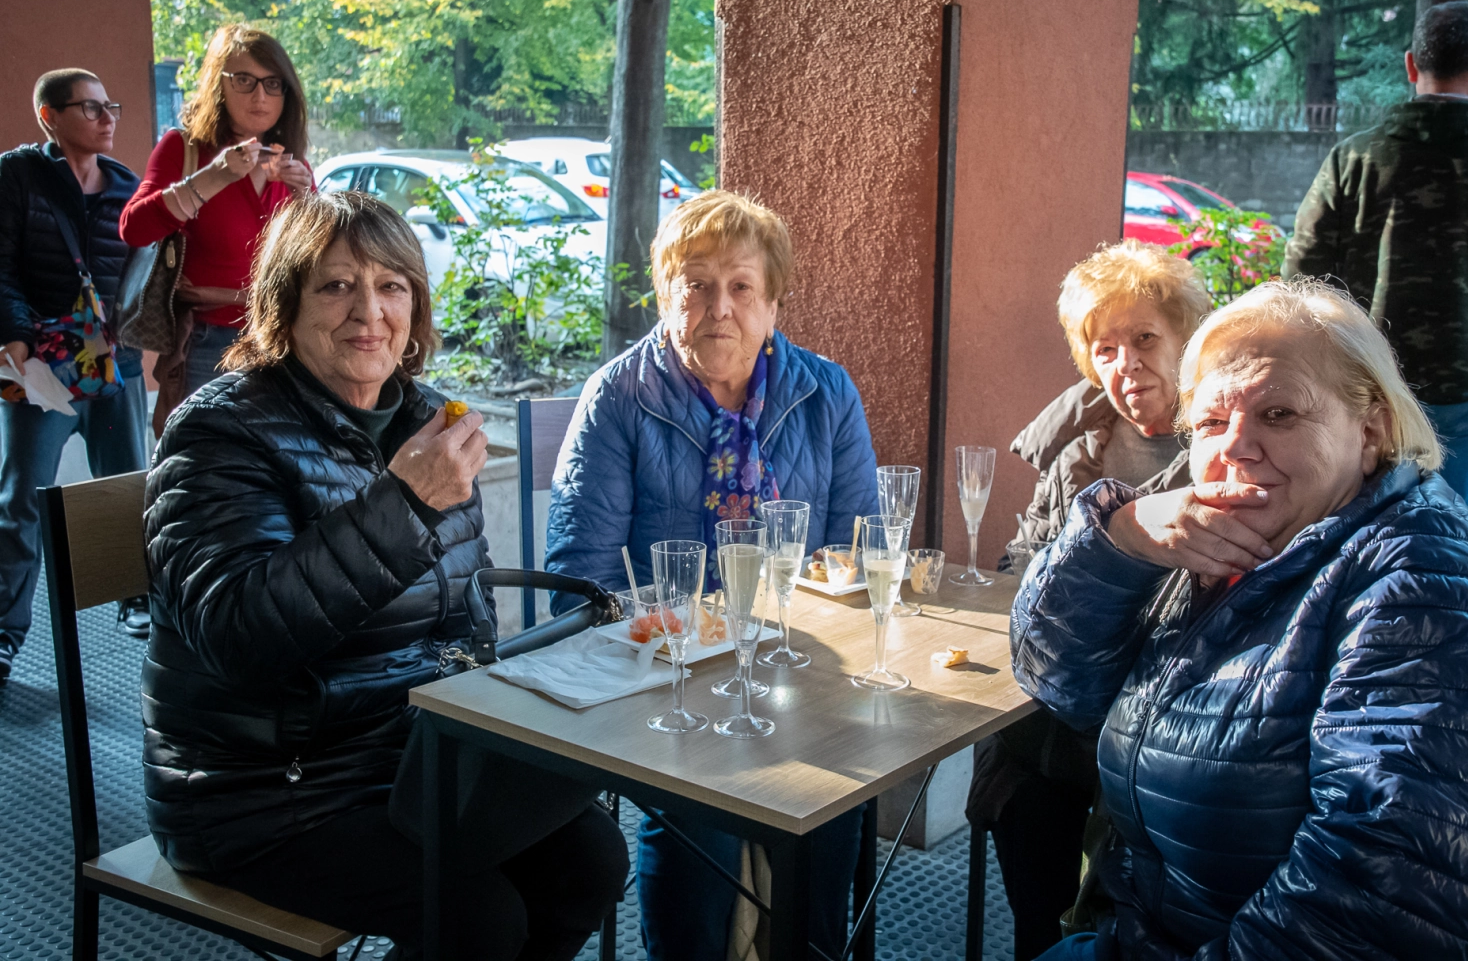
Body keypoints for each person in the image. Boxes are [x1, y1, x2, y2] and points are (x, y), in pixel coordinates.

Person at [1015, 279, 1468, 961]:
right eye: (1208, 422)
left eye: (1280, 414)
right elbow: (1059, 681)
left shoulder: (1433, 582)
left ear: (1371, 428)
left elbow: (1380, 903)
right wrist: (1119, 538)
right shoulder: (1215, 533)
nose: (1234, 448)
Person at [142, 191, 627, 960]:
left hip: (408, 759)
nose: (368, 311)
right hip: (262, 792)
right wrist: (404, 504)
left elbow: (462, 619)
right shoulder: (218, 432)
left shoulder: (426, 418)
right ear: (284, 305)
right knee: (478, 916)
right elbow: (236, 635)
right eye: (335, 286)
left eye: (391, 285)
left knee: (591, 862)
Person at [547, 188, 879, 961]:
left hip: (801, 661)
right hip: (666, 671)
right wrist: (665, 641)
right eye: (693, 284)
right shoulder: (618, 397)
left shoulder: (825, 392)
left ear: (772, 304)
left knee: (833, 800)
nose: (716, 307)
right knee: (695, 814)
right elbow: (582, 576)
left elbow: (852, 553)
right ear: (666, 295)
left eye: (739, 287)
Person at [972, 241, 1208, 961]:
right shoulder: (1080, 444)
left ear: (1188, 342)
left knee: (1112, 916)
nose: (1125, 365)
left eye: (1144, 340)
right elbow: (1020, 561)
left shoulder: (1224, 445)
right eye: (1104, 349)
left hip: (1151, 724)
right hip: (1046, 725)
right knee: (1031, 881)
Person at [1284, 1, 1468, 504]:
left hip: (1360, 374)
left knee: (1346, 512)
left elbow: (1299, 278)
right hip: (1462, 378)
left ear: (1410, 65)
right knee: (1440, 522)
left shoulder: (1354, 157)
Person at [0, 69, 150, 678]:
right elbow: (1, 266)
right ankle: (5, 635)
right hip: (40, 365)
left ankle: (136, 602)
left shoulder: (126, 189)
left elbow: (142, 281)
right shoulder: (16, 176)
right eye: (89, 108)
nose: (106, 117)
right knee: (22, 500)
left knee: (126, 491)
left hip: (118, 369)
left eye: (108, 106)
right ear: (49, 116)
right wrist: (12, 336)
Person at [120, 23, 314, 434]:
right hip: (208, 342)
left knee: (276, 461)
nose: (260, 96)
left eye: (272, 83)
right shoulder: (185, 148)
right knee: (205, 458)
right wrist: (214, 177)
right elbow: (133, 229)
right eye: (244, 80)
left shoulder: (291, 164)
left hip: (281, 339)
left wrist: (307, 201)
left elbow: (315, 260)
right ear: (218, 84)